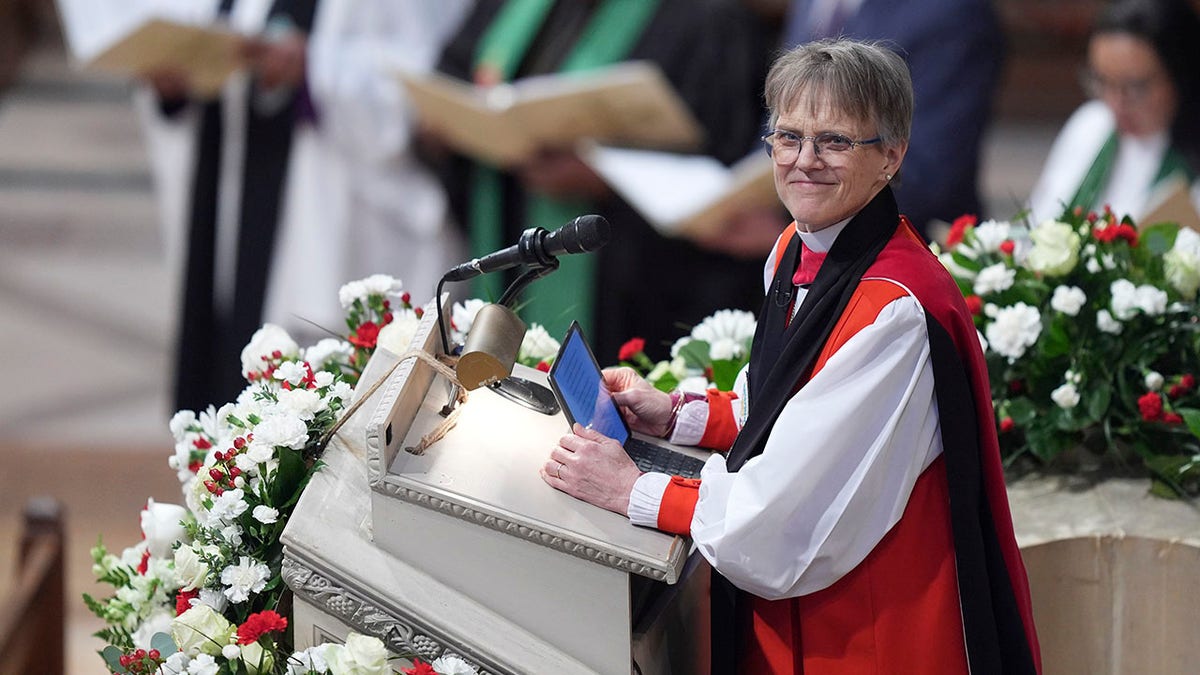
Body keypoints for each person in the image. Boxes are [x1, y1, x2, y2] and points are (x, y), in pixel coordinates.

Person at [542, 40, 1041, 673]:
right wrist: (673, 416)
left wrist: (632, 489)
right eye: (788, 137)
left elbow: (776, 521)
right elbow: (782, 404)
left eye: (834, 141)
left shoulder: (894, 310)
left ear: (891, 156)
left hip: (867, 632)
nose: (804, 161)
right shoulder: (802, 247)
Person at [426, 0, 773, 363]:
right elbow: (455, 70)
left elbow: (722, 164)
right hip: (509, 216)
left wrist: (604, 174)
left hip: (623, 279)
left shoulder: (708, 17)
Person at [136, 0, 320, 412]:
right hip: (219, 174)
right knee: (216, 326)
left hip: (295, 184)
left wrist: (304, 68)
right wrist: (173, 82)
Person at [260, 0, 473, 345]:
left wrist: (315, 66)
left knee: (397, 362)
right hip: (324, 186)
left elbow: (433, 71)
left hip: (395, 209)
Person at [780, 0, 1005, 237]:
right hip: (793, 233)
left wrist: (792, 222)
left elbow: (929, 170)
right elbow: (783, 110)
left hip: (903, 241)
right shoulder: (812, 4)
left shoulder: (949, 12)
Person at [1027, 0, 1200, 225]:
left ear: (1180, 75)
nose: (1115, 103)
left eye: (1134, 87)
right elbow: (1036, 223)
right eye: (1102, 81)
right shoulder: (1092, 124)